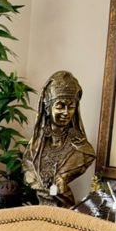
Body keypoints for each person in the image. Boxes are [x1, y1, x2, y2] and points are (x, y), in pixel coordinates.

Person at [21, 70, 95, 207]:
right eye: (60, 106)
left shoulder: (83, 150)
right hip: (41, 206)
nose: (66, 112)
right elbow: (28, 170)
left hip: (64, 208)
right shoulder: (35, 147)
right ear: (48, 109)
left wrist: (62, 178)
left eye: (71, 107)